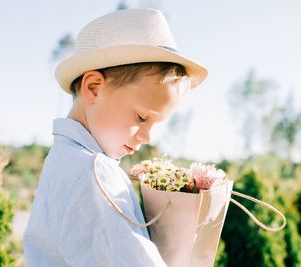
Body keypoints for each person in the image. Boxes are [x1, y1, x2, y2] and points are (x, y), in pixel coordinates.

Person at [23, 7, 208, 267]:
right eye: (142, 117)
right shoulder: (93, 172)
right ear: (94, 88)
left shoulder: (68, 160)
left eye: (157, 124)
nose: (148, 137)